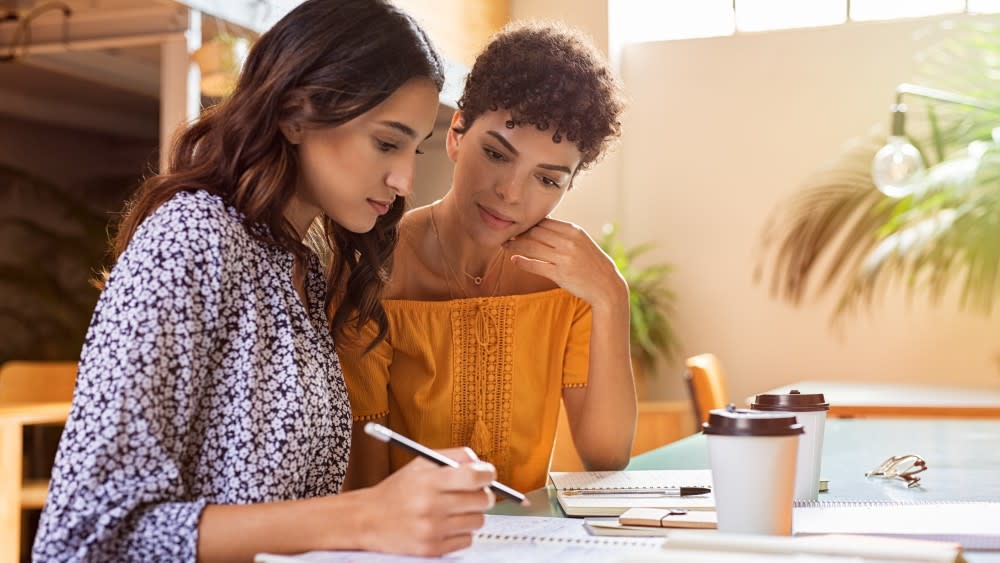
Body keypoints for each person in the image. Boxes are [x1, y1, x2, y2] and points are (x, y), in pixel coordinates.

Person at [32, 1, 496, 561]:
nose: (404, 180)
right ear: (295, 115)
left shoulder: (302, 265)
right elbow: (87, 537)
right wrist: (365, 516)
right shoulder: (191, 238)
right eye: (385, 142)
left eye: (413, 148)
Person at [339, 21, 634, 494]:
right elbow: (363, 484)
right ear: (456, 134)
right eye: (497, 154)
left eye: (548, 179)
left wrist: (612, 296)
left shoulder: (569, 286)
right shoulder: (376, 272)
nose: (510, 194)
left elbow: (606, 455)